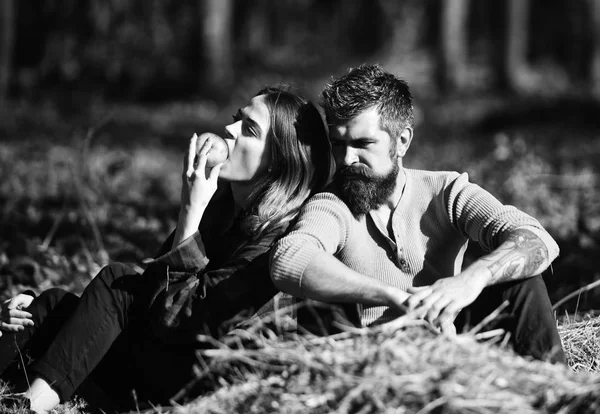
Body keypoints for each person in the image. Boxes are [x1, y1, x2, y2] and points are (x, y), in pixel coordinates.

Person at [0, 86, 333, 413]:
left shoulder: (272, 243)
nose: (228, 130)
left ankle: (29, 406)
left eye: (248, 129)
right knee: (47, 306)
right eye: (236, 118)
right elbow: (152, 291)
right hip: (157, 352)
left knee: (116, 283)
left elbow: (178, 318)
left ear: (278, 163)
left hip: (189, 380)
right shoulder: (223, 207)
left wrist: (190, 211)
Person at [270, 64, 565, 363]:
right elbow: (289, 259)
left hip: (447, 347)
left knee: (520, 280)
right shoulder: (331, 204)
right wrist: (390, 295)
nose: (346, 159)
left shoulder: (445, 191)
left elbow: (537, 239)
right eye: (338, 144)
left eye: (363, 144)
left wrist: (471, 279)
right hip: (364, 364)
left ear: (402, 142)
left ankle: (559, 396)